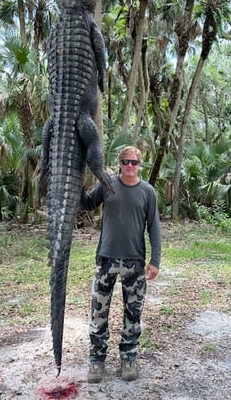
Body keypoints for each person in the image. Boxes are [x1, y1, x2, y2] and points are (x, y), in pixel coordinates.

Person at [80, 145, 161, 383]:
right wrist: (79, 182)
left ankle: (129, 358)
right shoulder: (107, 184)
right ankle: (96, 360)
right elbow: (86, 204)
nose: (129, 166)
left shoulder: (147, 191)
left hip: (134, 262)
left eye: (134, 162)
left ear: (140, 165)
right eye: (126, 162)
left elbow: (154, 227)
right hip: (106, 259)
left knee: (133, 313)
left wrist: (155, 260)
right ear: (120, 163)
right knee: (98, 311)